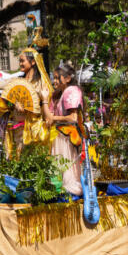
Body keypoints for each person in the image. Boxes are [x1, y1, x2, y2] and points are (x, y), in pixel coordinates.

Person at [0, 47, 52, 157]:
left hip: (32, 130)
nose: (20, 64)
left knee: (29, 162)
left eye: (22, 61)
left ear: (32, 62)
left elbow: (44, 107)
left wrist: (27, 108)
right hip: (13, 127)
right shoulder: (16, 80)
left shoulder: (41, 83)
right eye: (19, 61)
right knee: (13, 160)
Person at [41, 64, 84, 197]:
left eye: (56, 78)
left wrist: (54, 118)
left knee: (69, 173)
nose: (54, 81)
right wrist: (44, 100)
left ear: (67, 78)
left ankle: (70, 194)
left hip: (67, 138)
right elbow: (49, 119)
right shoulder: (58, 94)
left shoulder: (71, 90)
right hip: (58, 137)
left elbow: (73, 117)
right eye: (53, 78)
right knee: (58, 170)